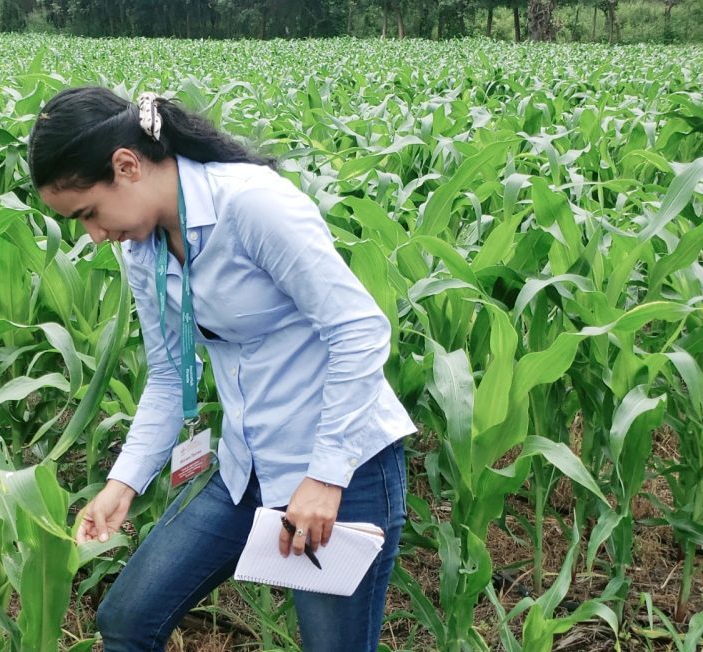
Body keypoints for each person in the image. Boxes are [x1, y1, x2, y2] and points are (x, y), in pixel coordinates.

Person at [26, 86, 417, 651]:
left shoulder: (251, 205)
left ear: (126, 165)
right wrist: (123, 483)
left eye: (89, 212)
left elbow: (358, 330)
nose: (93, 234)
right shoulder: (143, 248)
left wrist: (326, 476)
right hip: (245, 468)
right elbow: (166, 376)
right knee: (128, 620)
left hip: (342, 473)